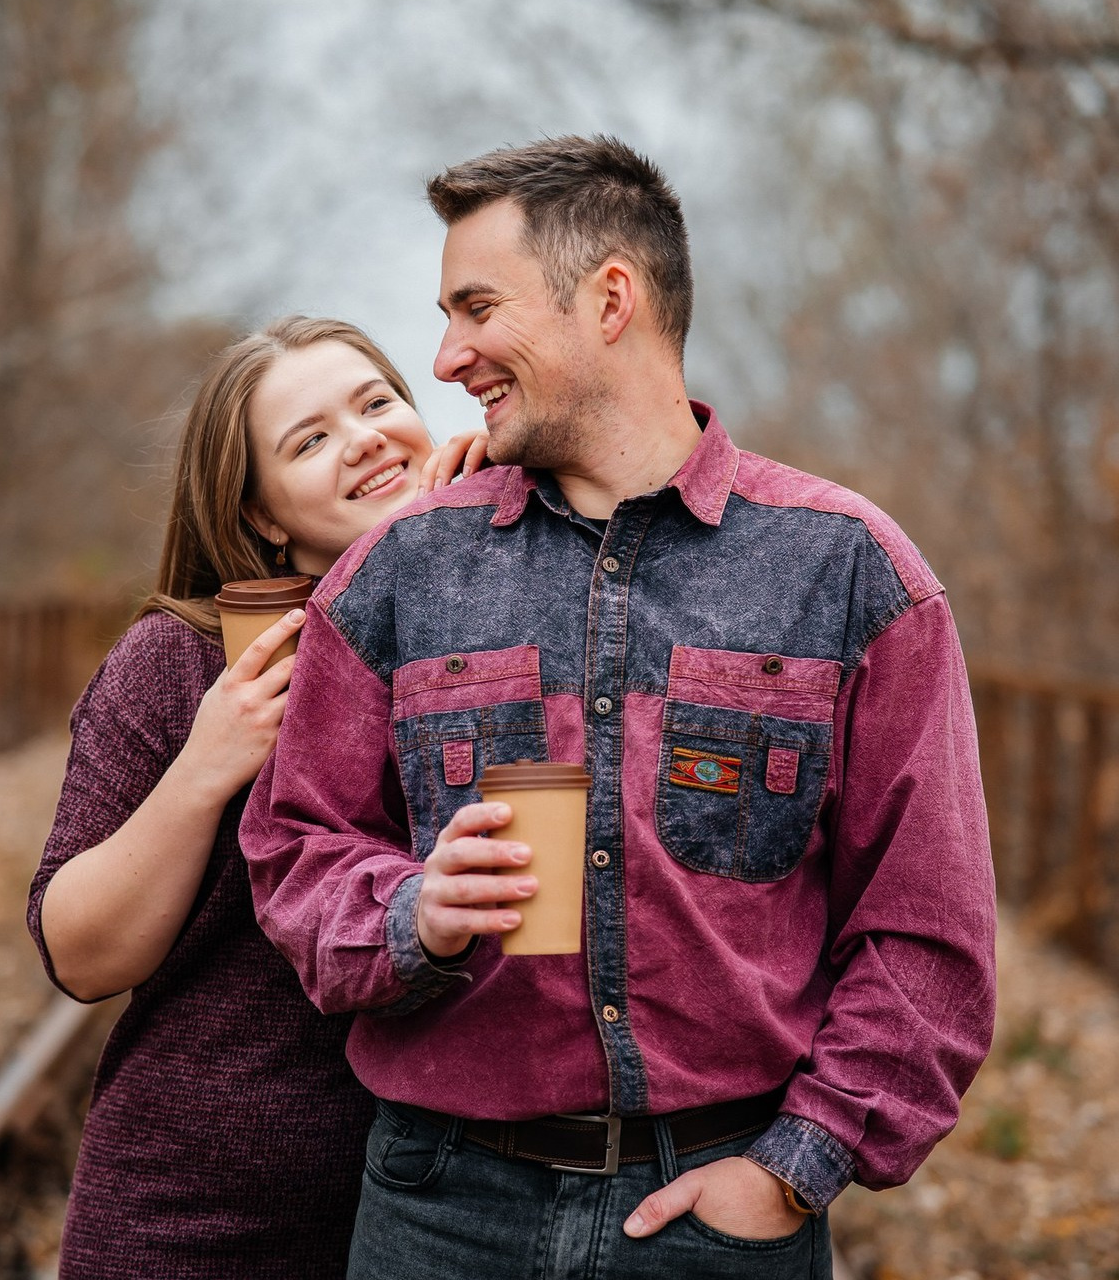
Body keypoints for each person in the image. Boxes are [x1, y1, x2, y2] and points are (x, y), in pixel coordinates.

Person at [241, 136, 998, 1279]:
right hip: (439, 1210)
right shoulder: (401, 569)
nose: (445, 358)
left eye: (476, 308)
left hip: (719, 1215)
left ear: (608, 299)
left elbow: (925, 926)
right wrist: (414, 911)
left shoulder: (848, 572)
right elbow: (292, 850)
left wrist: (796, 1162)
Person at [27, 314, 487, 1279]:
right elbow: (78, 951)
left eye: (376, 403)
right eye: (310, 440)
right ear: (264, 516)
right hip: (198, 1216)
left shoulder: (501, 623)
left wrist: (511, 503)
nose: (362, 439)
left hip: (452, 1212)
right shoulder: (186, 659)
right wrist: (208, 763)